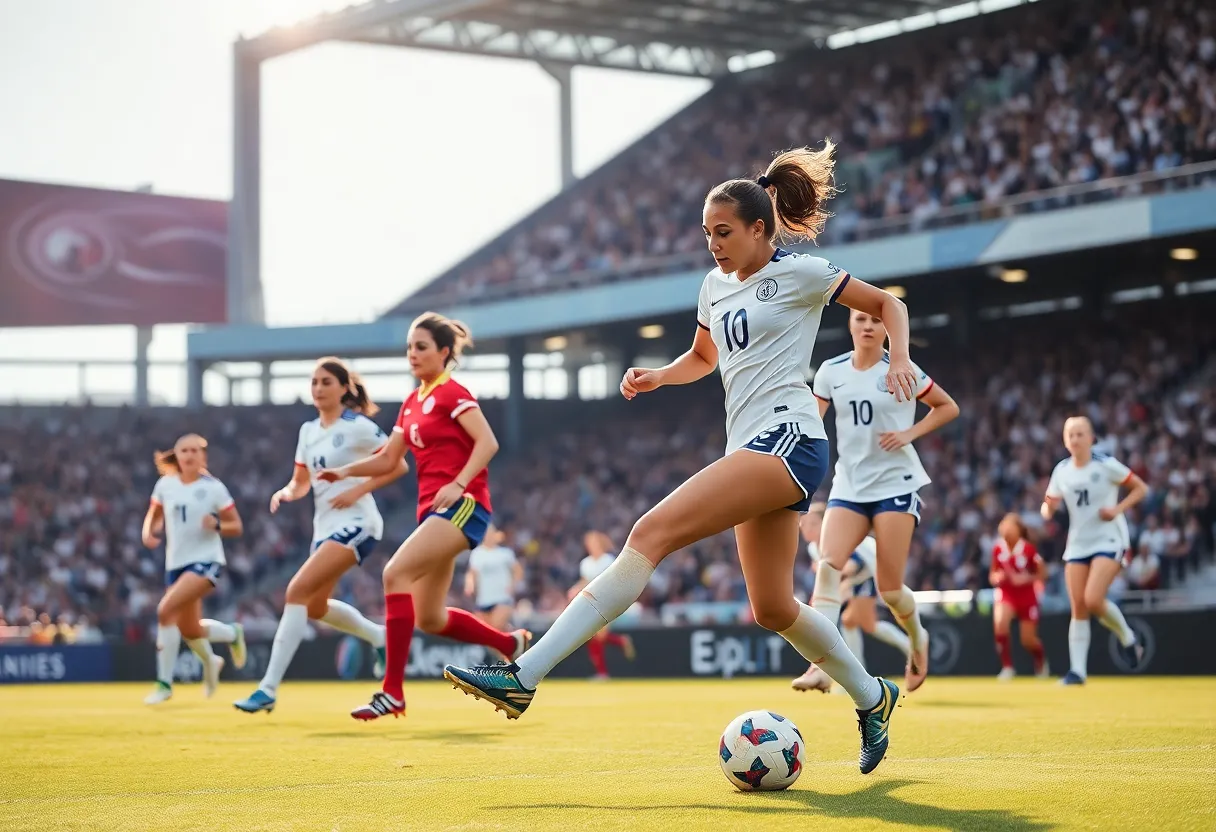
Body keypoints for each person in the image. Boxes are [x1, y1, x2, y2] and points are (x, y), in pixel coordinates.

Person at [445, 143, 919, 774]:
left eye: (724, 232)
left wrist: (904, 359)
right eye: (706, 233)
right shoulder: (713, 287)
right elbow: (703, 358)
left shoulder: (801, 274)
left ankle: (523, 675)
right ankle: (873, 696)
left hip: (789, 439)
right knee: (774, 608)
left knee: (648, 534)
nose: (713, 244)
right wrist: (660, 377)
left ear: (760, 228)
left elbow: (889, 304)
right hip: (749, 445)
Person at [318, 313, 531, 720]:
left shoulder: (452, 393)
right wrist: (343, 472)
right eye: (409, 347)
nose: (412, 354)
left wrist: (460, 482)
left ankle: (392, 692)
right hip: (434, 511)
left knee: (394, 574)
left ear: (444, 352)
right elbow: (388, 459)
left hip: (463, 504)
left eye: (421, 346)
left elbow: (487, 442)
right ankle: (510, 644)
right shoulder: (412, 402)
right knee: (431, 617)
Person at [794, 307, 958, 695]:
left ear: (888, 327)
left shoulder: (902, 369)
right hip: (849, 486)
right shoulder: (831, 371)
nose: (868, 326)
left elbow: (948, 406)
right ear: (850, 325)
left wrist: (910, 433)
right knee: (828, 567)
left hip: (895, 485)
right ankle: (819, 665)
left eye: (876, 320)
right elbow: (813, 423)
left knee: (889, 589)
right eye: (860, 319)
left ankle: (918, 639)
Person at [235, 358, 407, 714]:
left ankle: (267, 688)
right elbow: (301, 484)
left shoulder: (358, 426)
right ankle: (378, 636)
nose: (318, 388)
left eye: (326, 382)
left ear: (344, 388)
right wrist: (286, 492)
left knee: (295, 591)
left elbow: (398, 464)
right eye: (314, 382)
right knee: (314, 606)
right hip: (324, 528)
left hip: (359, 523)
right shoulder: (308, 432)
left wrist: (358, 491)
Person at [1042, 416, 1149, 685]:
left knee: (1092, 599)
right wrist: (1048, 510)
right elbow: (1049, 504)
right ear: (1065, 440)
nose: (1075, 439)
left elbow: (1140, 488)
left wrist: (1117, 510)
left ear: (1092, 438)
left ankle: (1128, 637)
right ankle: (1077, 672)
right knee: (1078, 605)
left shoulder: (1106, 465)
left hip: (1109, 539)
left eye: (1080, 434)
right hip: (1078, 542)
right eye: (1071, 435)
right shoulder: (1062, 470)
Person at [141, 434, 247, 704]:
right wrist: (149, 531)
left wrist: (218, 526)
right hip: (175, 564)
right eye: (183, 451)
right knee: (190, 630)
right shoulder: (166, 485)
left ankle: (164, 684)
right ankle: (228, 638)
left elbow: (236, 526)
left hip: (207, 561)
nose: (188, 455)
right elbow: (154, 513)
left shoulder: (214, 488)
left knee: (165, 610)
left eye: (194, 451)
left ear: (203, 457)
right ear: (176, 456)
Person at [791, 503, 910, 692]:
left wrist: (834, 582)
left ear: (826, 524)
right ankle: (856, 677)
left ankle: (906, 648)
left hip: (871, 575)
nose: (806, 528)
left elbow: (856, 565)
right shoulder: (814, 548)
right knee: (851, 623)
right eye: (803, 524)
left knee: (858, 623)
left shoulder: (835, 539)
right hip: (854, 581)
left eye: (813, 523)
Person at [989, 513, 1048, 681]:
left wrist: (1025, 579)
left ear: (1018, 529)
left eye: (1010, 526)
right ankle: (1007, 667)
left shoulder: (1028, 549)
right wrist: (997, 577)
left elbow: (1042, 574)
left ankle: (1040, 660)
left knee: (1028, 640)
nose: (1006, 529)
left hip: (1027, 595)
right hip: (1006, 593)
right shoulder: (998, 548)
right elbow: (992, 574)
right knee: (1000, 624)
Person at [571, 532, 636, 679]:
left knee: (596, 635)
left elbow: (615, 580)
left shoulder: (608, 560)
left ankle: (602, 672)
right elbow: (585, 581)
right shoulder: (585, 563)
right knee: (594, 636)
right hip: (590, 602)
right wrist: (575, 589)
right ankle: (620, 643)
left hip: (607, 601)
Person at [464, 525, 523, 649]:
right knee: (488, 637)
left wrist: (512, 586)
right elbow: (472, 573)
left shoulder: (505, 553)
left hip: (502, 597)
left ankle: (513, 646)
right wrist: (470, 585)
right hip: (483, 599)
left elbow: (518, 571)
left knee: (496, 627)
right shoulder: (477, 554)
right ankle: (513, 647)